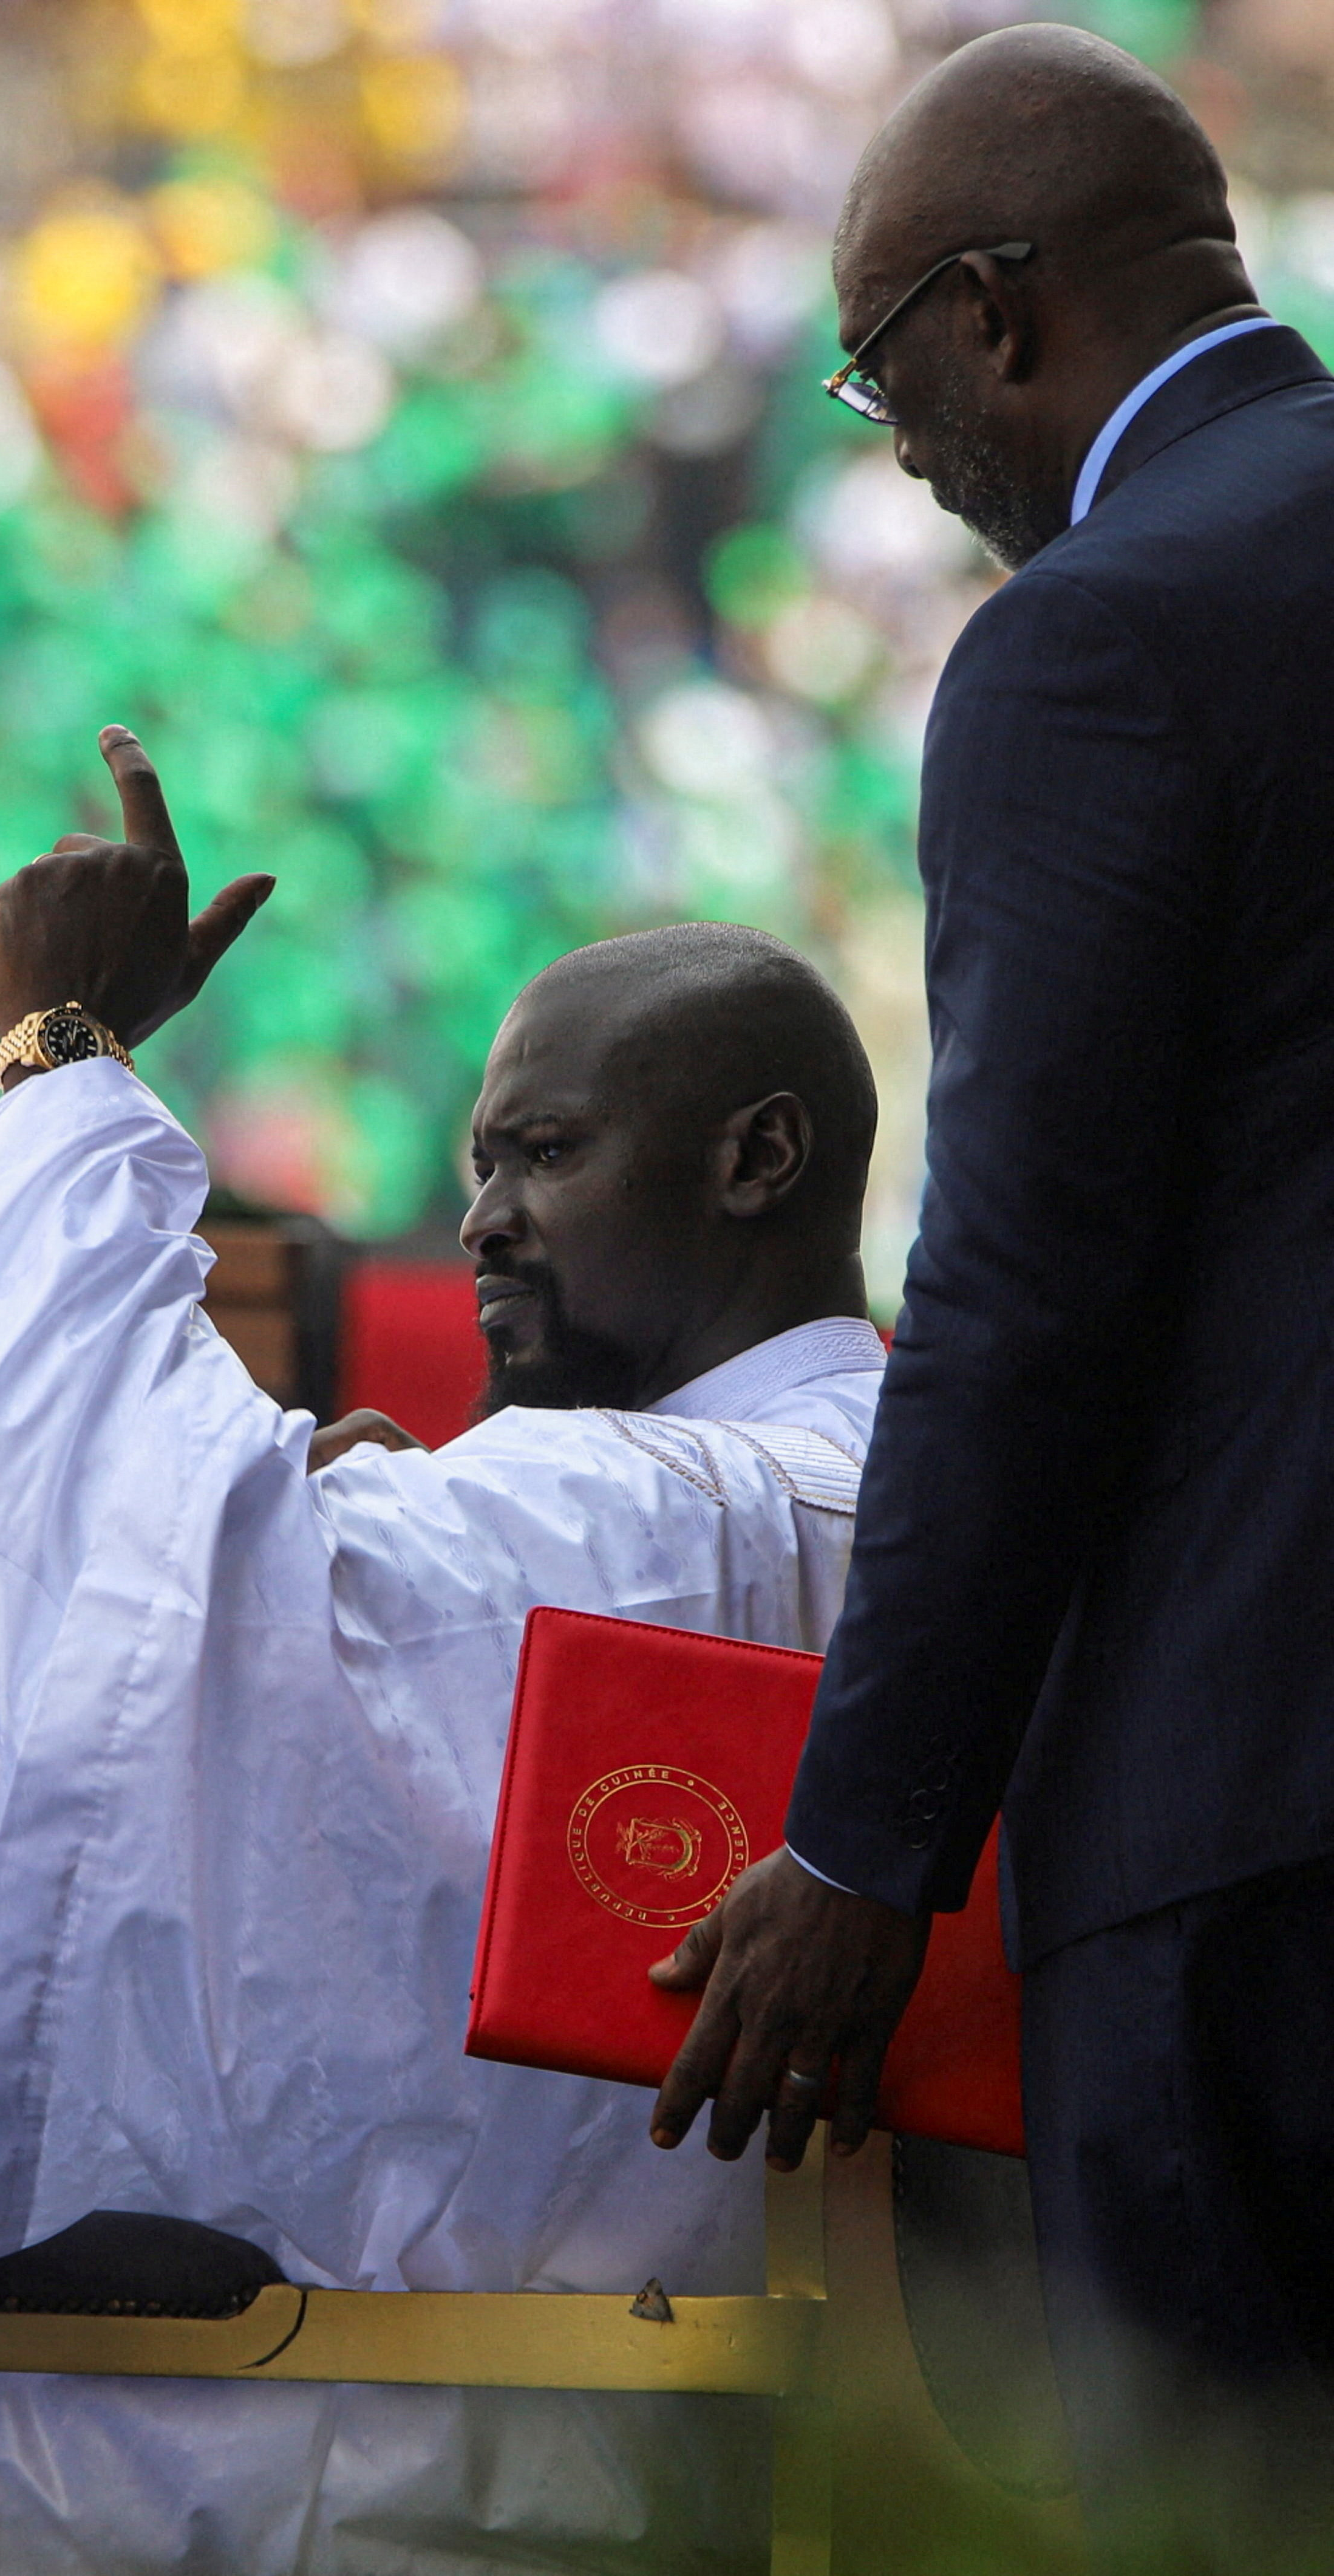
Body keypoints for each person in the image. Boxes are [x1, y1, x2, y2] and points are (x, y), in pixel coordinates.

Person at [0, 723, 886, 2575]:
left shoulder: (679, 1510)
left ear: (759, 1157)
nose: (477, 1216)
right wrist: (333, 1528)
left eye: (544, 1153)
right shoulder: (832, 1485)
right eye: (475, 1158)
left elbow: (82, 1566)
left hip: (414, 2435)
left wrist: (63, 1064)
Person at [647, 21, 1334, 2559]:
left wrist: (859, 1848)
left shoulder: (1096, 638)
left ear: (996, 311)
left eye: (879, 368)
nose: (898, 446)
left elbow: (1026, 1291)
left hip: (1249, 1836)